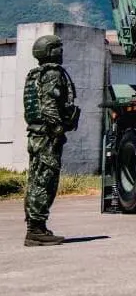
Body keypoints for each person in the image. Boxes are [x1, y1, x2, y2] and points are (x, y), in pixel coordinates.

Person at [22, 34, 79, 247]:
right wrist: (57, 130)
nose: (61, 52)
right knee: (45, 181)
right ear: (48, 52)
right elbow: (49, 106)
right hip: (47, 135)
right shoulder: (53, 74)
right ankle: (36, 230)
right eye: (57, 48)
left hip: (36, 134)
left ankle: (36, 227)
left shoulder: (35, 74)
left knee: (36, 179)